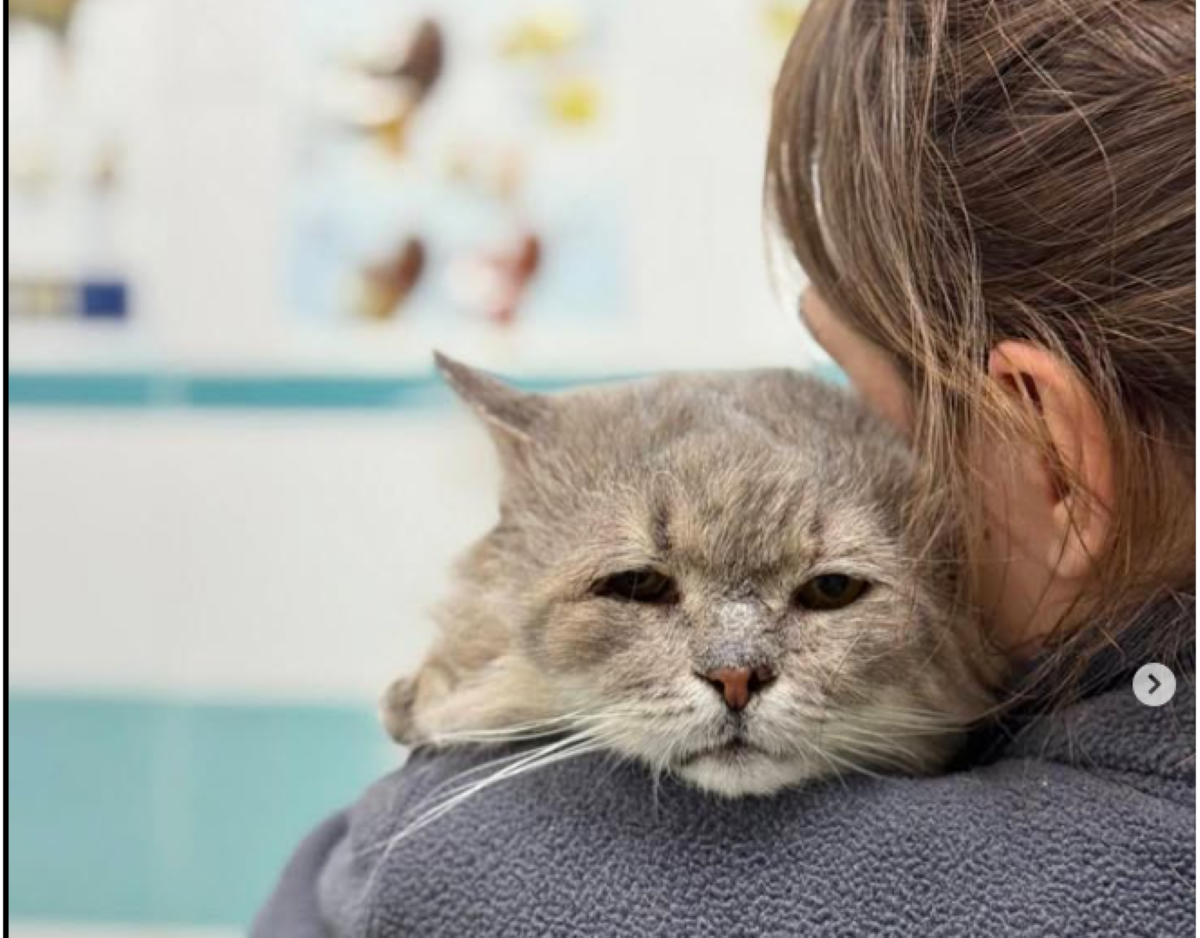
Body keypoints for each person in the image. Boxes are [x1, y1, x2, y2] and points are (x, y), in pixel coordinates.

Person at [254, 1, 1197, 935]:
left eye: (866, 396)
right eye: (639, 585)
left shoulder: (432, 867)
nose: (735, 670)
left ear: (1054, 457)